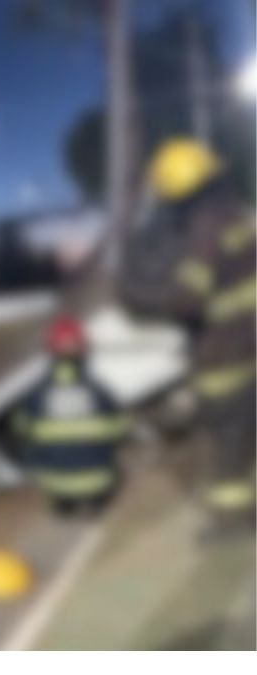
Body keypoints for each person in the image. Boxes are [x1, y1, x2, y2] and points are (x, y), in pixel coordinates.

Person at [145, 138, 255, 531]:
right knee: (248, 429)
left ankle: (232, 519)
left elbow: (189, 300)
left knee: (228, 443)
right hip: (251, 345)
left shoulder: (202, 229)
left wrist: (157, 300)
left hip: (223, 356)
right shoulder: (237, 215)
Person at [12, 316, 129, 516]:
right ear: (83, 348)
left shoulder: (36, 393)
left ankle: (65, 505)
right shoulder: (97, 390)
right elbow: (120, 427)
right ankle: (96, 502)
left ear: (50, 351)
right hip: (97, 479)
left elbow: (21, 429)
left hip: (54, 483)